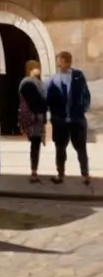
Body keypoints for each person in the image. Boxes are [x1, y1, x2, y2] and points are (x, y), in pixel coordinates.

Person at [46, 51, 91, 185]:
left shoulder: (78, 76)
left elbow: (85, 94)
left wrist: (82, 109)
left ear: (67, 62)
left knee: (81, 148)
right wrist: (52, 114)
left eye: (60, 60)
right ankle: (60, 174)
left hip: (76, 120)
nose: (58, 63)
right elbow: (48, 99)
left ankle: (85, 175)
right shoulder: (54, 79)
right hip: (60, 121)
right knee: (60, 149)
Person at [18, 60, 47, 183]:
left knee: (33, 144)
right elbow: (43, 102)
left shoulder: (23, 83)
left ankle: (34, 171)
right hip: (37, 117)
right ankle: (34, 171)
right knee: (35, 145)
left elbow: (22, 101)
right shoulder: (39, 85)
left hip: (28, 117)